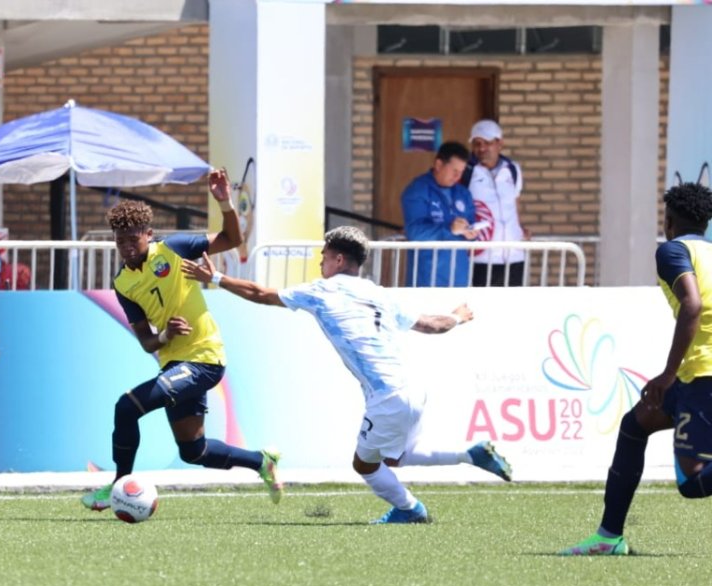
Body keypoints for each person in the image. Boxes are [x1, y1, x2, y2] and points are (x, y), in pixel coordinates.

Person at [181, 225, 512, 523]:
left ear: (338, 259)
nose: (320, 264)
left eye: (323, 257)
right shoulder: (377, 292)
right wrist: (456, 317)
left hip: (387, 396)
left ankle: (410, 509)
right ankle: (473, 454)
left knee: (365, 465)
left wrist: (216, 279)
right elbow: (432, 325)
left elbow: (261, 294)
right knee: (397, 457)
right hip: (414, 389)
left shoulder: (324, 291)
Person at [80, 168, 283, 511]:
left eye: (133, 239)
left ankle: (117, 486)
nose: (127, 247)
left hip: (205, 358)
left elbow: (232, 239)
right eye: (120, 240)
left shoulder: (174, 249)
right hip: (174, 363)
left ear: (149, 234)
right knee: (194, 451)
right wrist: (166, 334)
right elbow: (147, 342)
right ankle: (262, 461)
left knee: (126, 407)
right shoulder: (123, 284)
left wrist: (224, 202)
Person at [561, 181, 712, 555]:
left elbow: (692, 306)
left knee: (692, 483)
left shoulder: (672, 250)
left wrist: (667, 372)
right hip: (695, 374)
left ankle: (610, 536)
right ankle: (609, 537)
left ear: (669, 221)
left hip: (701, 373)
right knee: (635, 424)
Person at [402, 141, 477, 288]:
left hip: (459, 277)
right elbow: (415, 233)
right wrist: (450, 229)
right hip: (426, 278)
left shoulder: (463, 193)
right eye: (454, 170)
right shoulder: (417, 190)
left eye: (461, 171)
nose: (458, 176)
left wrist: (472, 234)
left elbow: (471, 227)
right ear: (438, 164)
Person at [465, 120, 528, 287]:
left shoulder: (512, 169)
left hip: (513, 254)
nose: (482, 148)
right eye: (477, 143)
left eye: (487, 143)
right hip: (481, 256)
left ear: (500, 143)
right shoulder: (467, 171)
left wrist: (520, 228)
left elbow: (515, 203)